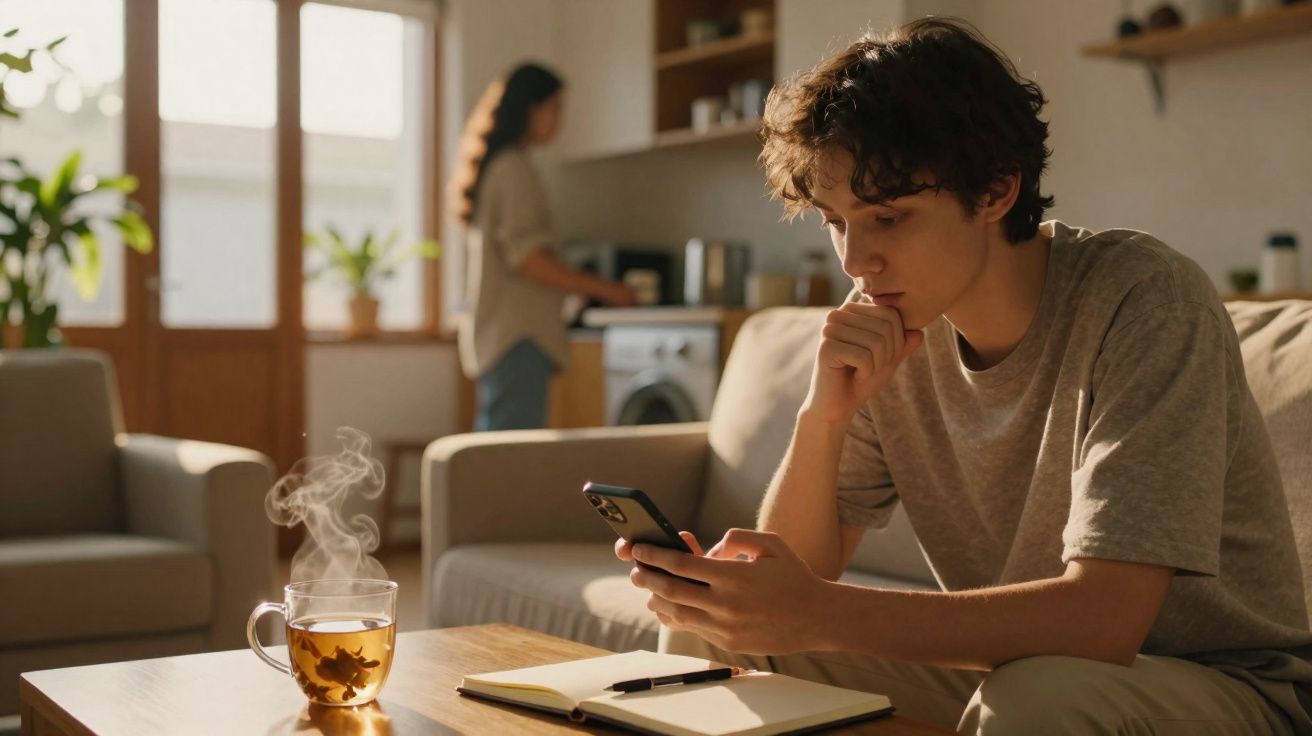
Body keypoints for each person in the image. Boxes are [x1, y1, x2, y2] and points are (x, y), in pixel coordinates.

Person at [615, 18, 1312, 734]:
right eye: (836, 220)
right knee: (719, 635)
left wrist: (819, 612)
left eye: (888, 217)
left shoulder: (1144, 300)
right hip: (1018, 666)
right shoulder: (896, 321)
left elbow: (1105, 621)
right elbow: (797, 572)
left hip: (1224, 688)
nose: (855, 260)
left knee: (1040, 697)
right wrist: (823, 417)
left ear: (995, 192)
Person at [448, 62, 635, 431]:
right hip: (518, 339)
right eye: (556, 108)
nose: (559, 119)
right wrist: (604, 288)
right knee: (510, 463)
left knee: (498, 456)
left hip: (503, 338)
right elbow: (527, 258)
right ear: (530, 108)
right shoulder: (513, 168)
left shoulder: (501, 165)